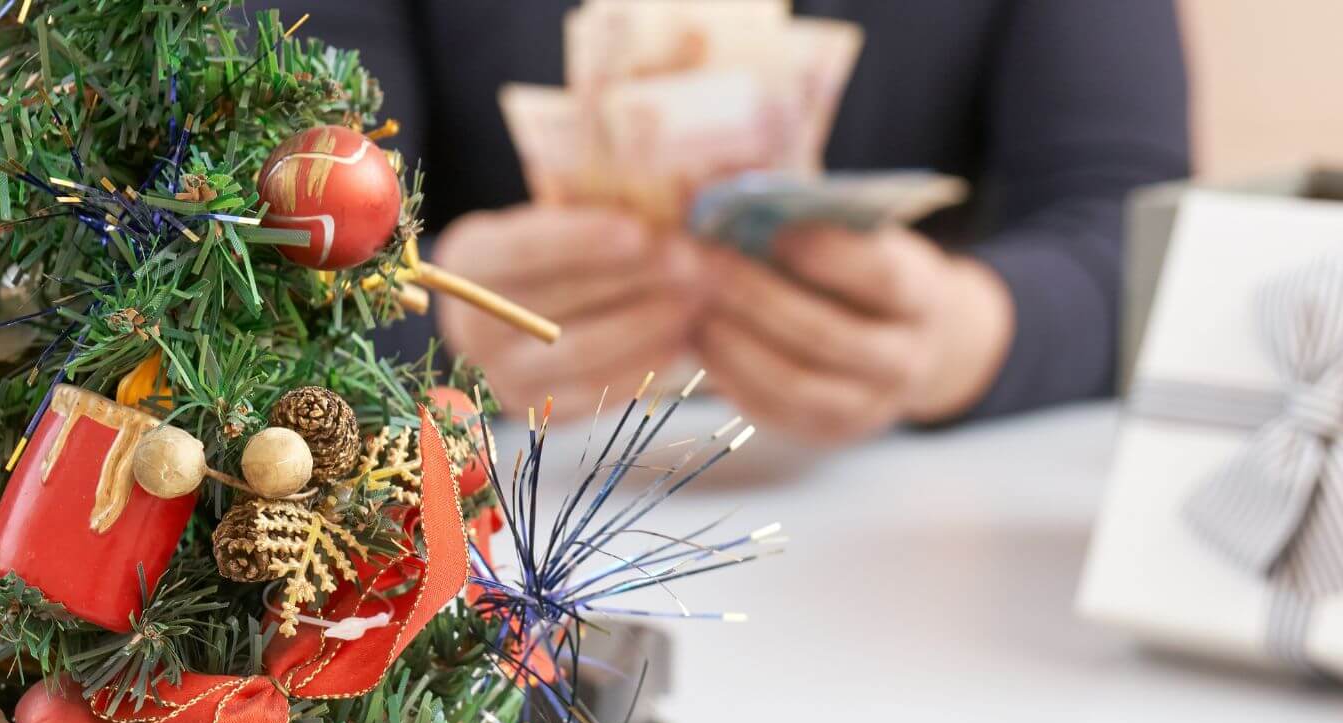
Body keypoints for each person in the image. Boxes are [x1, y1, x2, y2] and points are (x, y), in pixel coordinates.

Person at [273, 1, 1189, 443]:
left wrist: (958, 334)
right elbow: (228, 240)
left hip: (902, 548)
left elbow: (1140, 236)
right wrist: (442, 323)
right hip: (458, 533)